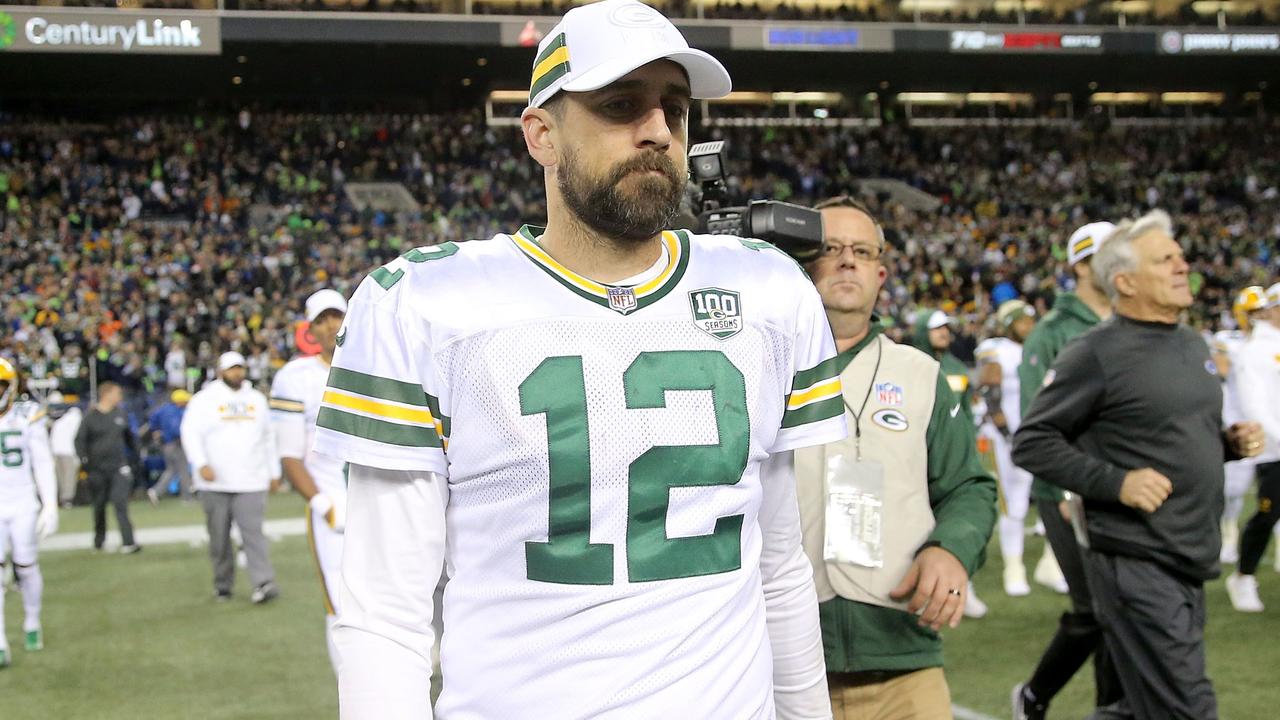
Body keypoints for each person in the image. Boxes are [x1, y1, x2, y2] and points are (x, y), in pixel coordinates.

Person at [316, 2, 847, 717]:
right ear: (540, 134)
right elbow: (385, 613)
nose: (658, 130)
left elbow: (780, 570)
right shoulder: (424, 304)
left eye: (675, 108)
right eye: (621, 104)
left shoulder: (768, 290)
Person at [1013, 210, 1265, 720]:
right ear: (1125, 282)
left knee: (1136, 707)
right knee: (1187, 707)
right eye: (1165, 259)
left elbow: (1164, 434)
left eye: (1179, 256)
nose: (1182, 265)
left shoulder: (1190, 341)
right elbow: (1033, 441)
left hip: (1188, 553)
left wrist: (1226, 444)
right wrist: (1115, 482)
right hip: (1136, 557)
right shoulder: (1095, 352)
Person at [795, 197, 997, 719]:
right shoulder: (755, 368)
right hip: (782, 661)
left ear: (880, 273)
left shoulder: (921, 374)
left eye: (861, 251)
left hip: (903, 658)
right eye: (830, 248)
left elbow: (969, 489)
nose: (846, 261)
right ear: (798, 262)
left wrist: (952, 550)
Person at [1011, 220, 1123, 720]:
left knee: (1118, 612)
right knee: (1096, 611)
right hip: (1068, 489)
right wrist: (1060, 483)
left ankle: (1109, 708)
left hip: (1121, 487)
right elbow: (1037, 419)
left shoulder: (1131, 322)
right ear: (1080, 265)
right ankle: (1035, 696)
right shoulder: (1052, 332)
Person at [269, 289, 349, 672]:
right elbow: (289, 455)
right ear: (310, 330)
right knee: (341, 607)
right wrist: (322, 504)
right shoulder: (295, 377)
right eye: (321, 319)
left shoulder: (375, 365)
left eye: (336, 315)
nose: (331, 325)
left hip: (381, 499)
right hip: (334, 500)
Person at [975, 299, 1063, 597]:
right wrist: (1006, 433)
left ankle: (1052, 564)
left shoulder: (1040, 346)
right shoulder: (996, 349)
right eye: (1022, 320)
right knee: (1014, 503)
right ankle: (1014, 567)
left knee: (1054, 498)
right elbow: (989, 393)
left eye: (1030, 319)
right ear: (1009, 323)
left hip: (1039, 434)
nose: (1028, 325)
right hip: (1007, 436)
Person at [181, 352, 280, 604]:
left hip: (251, 478)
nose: (237, 373)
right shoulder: (204, 400)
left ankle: (263, 582)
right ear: (220, 371)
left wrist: (274, 471)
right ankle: (223, 584)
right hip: (215, 480)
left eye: (240, 368)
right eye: (232, 369)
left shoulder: (257, 399)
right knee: (219, 538)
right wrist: (200, 462)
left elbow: (269, 437)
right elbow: (190, 432)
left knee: (253, 535)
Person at [1226, 281, 1280, 612]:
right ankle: (1244, 575)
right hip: (1275, 448)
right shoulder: (1254, 349)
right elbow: (1254, 404)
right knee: (1267, 512)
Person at [0, 358, 57, 668]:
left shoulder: (27, 414)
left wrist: (49, 504)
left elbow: (43, 462)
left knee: (25, 564)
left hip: (22, 500)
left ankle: (32, 622)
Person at [1212, 286, 1270, 567]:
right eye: (1253, 313)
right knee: (1230, 487)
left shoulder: (1269, 344)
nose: (1259, 317)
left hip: (1262, 422)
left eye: (1262, 312)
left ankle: (1232, 530)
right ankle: (1226, 530)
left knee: (1260, 487)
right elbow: (1220, 370)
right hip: (1233, 421)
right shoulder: (1229, 340)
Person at [74, 381, 141, 554]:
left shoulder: (120, 414)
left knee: (120, 502)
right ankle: (99, 541)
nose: (120, 397)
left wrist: (135, 457)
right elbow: (79, 440)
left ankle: (129, 542)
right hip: (97, 468)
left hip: (118, 466)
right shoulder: (90, 416)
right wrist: (85, 462)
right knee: (99, 506)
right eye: (117, 393)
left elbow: (129, 438)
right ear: (107, 394)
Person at [147, 389, 192, 503]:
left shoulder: (163, 409)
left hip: (166, 444)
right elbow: (176, 429)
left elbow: (152, 420)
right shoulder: (177, 411)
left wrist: (157, 430)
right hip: (177, 443)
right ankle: (186, 497)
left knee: (171, 470)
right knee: (183, 470)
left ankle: (156, 491)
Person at [46, 391, 83, 508]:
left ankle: (68, 499)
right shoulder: (54, 419)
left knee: (68, 476)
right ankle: (61, 499)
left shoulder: (72, 415)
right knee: (59, 477)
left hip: (69, 451)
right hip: (56, 451)